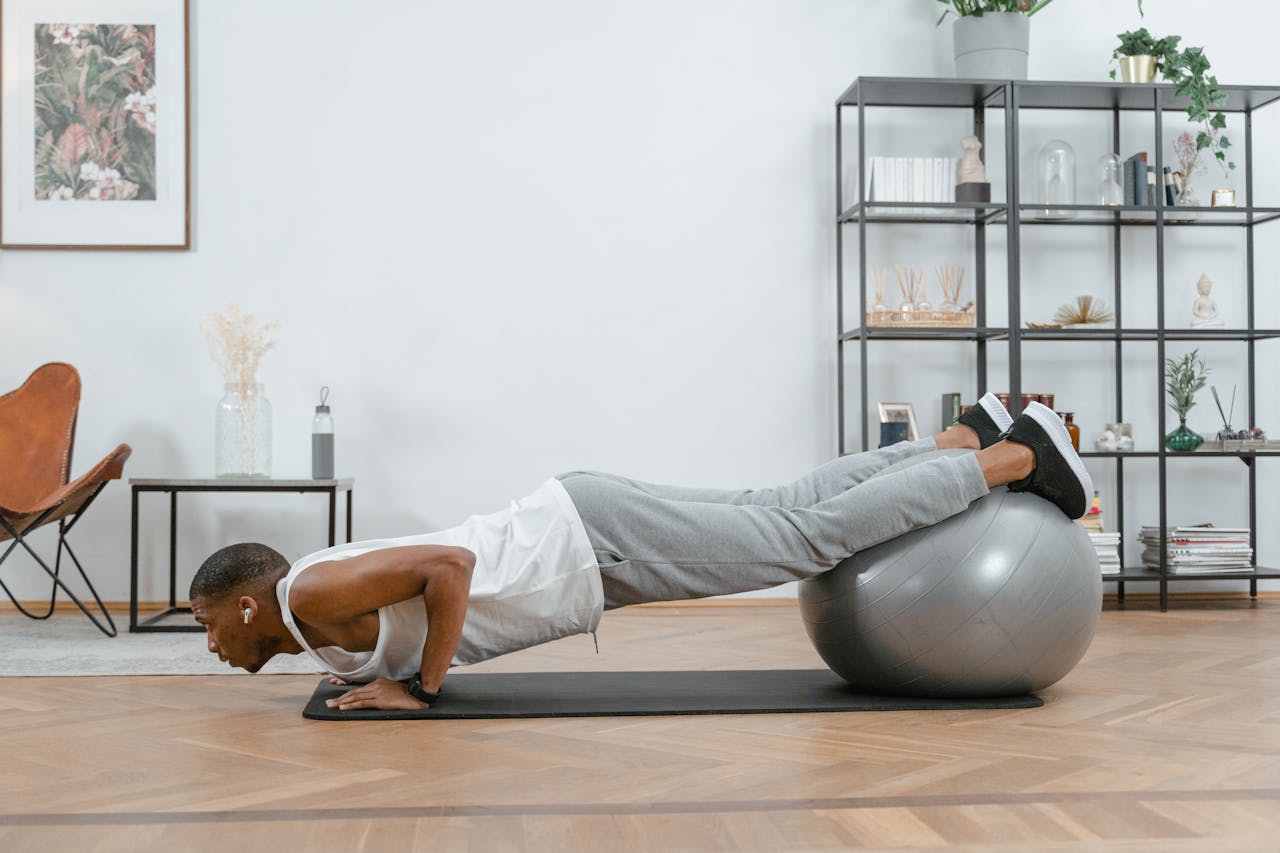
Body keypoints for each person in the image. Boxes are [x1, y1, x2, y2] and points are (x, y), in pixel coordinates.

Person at [190, 395, 1091, 712]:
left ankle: (1015, 459)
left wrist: (420, 688)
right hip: (584, 526)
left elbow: (448, 571)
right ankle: (959, 436)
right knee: (780, 509)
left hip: (588, 543)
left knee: (800, 539)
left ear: (243, 604)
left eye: (205, 627)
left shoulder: (307, 594)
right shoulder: (309, 611)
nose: (209, 647)